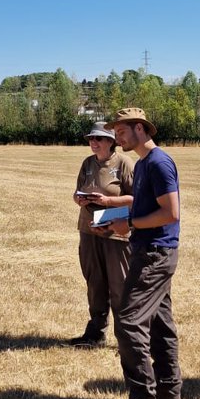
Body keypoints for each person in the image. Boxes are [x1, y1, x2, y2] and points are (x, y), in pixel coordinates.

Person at [103, 107, 182, 399]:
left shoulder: (159, 162)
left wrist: (130, 225)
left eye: (121, 132)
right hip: (151, 250)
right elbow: (145, 203)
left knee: (129, 320)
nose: (116, 137)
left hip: (154, 254)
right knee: (160, 324)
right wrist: (111, 210)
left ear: (139, 128)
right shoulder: (144, 163)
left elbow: (170, 213)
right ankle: (168, 395)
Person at [69, 124, 135, 348]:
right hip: (89, 231)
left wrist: (108, 202)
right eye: (91, 138)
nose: (93, 142)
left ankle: (127, 339)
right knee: (94, 283)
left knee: (119, 286)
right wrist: (80, 199)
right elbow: (77, 190)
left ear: (111, 141)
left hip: (115, 233)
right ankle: (95, 334)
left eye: (99, 138)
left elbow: (136, 199)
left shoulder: (124, 163)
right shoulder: (87, 163)